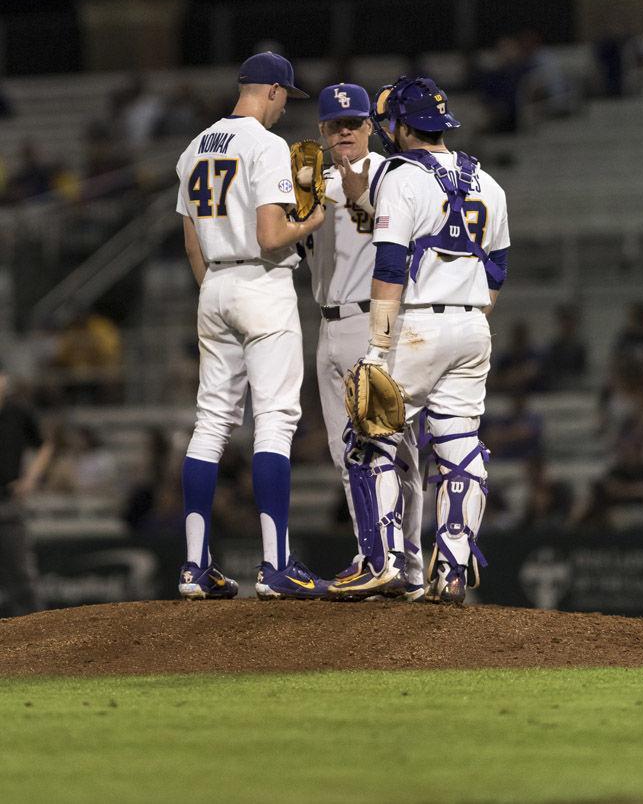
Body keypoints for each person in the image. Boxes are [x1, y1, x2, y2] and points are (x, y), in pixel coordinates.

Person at [328, 76, 510, 604]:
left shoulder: (402, 178)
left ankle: (382, 563)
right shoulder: (489, 183)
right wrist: (468, 313)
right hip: (474, 325)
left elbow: (389, 266)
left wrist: (377, 349)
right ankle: (453, 569)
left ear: (404, 127)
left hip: (415, 327)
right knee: (457, 443)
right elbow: (497, 268)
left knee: (368, 439)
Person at [175, 51, 327, 600]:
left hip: (213, 282)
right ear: (271, 90)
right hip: (260, 283)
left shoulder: (194, 148)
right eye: (287, 96)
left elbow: (191, 239)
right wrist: (311, 219)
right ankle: (276, 565)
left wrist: (215, 295)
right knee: (275, 420)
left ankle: (194, 567)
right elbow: (269, 236)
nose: (287, 107)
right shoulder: (266, 147)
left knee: (211, 423)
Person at [300, 83, 424, 599]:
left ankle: (404, 559)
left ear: (371, 128)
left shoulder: (394, 176)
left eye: (353, 123)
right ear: (323, 133)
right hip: (327, 325)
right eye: (335, 125)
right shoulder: (309, 185)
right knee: (343, 451)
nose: (345, 131)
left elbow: (412, 242)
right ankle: (374, 554)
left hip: (377, 324)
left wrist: (365, 201)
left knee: (392, 450)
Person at [0, 364, 54, 616]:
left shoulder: (18, 412)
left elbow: (44, 445)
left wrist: (31, 479)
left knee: (21, 574)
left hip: (8, 503)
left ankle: (38, 634)